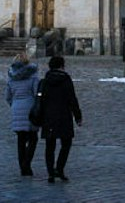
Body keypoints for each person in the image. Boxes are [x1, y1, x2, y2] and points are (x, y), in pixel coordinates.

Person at [37, 53, 83, 183]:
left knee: (49, 146)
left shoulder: (45, 81)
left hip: (49, 116)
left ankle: (50, 173)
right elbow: (72, 99)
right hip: (64, 116)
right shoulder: (66, 79)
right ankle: (60, 168)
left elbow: (40, 101)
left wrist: (39, 116)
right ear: (62, 66)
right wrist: (78, 116)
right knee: (66, 144)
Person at [5, 52, 40, 177]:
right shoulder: (33, 76)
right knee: (33, 138)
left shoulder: (11, 77)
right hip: (30, 108)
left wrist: (14, 104)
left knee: (21, 139)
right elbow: (36, 93)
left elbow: (7, 96)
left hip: (16, 107)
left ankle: (22, 167)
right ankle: (27, 164)